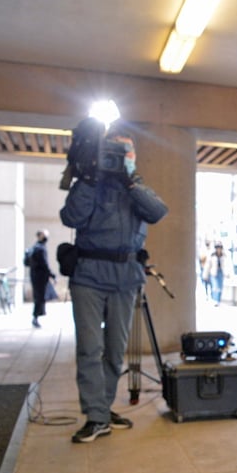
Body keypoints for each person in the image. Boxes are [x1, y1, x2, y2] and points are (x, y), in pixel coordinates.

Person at [60, 120, 168, 443]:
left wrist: (130, 183)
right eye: (115, 150)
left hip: (125, 277)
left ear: (134, 154)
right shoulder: (89, 183)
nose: (122, 156)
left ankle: (102, 410)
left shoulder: (137, 186)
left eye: (127, 150)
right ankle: (96, 415)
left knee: (114, 351)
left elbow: (158, 211)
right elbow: (71, 217)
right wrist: (91, 179)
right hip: (89, 276)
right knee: (90, 349)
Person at [28, 229, 56, 328]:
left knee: (39, 297)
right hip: (40, 277)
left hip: (36, 276)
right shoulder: (40, 249)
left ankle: (36, 317)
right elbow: (44, 264)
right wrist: (52, 274)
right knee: (39, 298)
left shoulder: (36, 248)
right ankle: (35, 317)